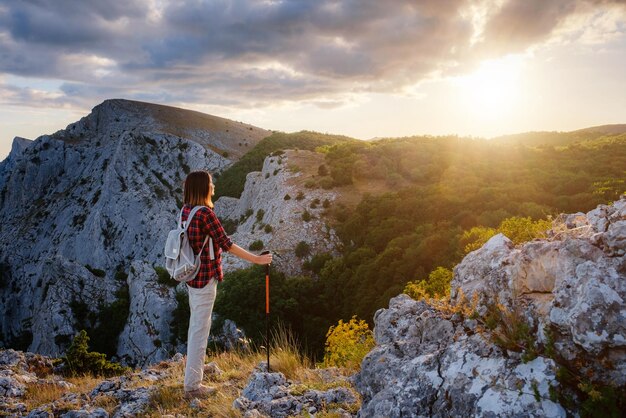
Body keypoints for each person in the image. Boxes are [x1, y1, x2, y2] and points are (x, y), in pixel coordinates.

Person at [180, 170, 272, 399]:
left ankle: (196, 369)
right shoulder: (205, 214)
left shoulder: (186, 210)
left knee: (197, 326)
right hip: (204, 279)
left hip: (191, 277)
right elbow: (226, 244)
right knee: (200, 330)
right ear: (203, 188)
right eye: (210, 184)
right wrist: (257, 259)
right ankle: (193, 386)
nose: (214, 187)